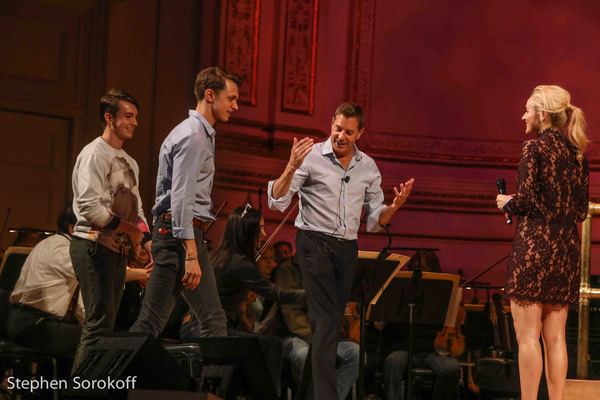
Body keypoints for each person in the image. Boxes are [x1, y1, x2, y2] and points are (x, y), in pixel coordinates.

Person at [268, 102, 415, 398]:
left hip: (347, 249)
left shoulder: (368, 167)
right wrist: (291, 166)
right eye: (337, 129)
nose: (341, 136)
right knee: (325, 320)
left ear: (360, 132)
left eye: (348, 132)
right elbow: (277, 200)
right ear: (331, 124)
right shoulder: (310, 156)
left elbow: (375, 221)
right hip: (314, 243)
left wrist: (394, 207)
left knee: (330, 328)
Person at [131, 67, 241, 338]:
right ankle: (105, 378)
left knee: (157, 323)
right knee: (206, 322)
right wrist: (191, 253)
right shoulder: (194, 136)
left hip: (179, 236)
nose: (236, 106)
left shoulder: (199, 134)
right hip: (180, 237)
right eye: (232, 98)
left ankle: (106, 377)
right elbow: (181, 197)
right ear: (210, 95)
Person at [496, 85, 589, 400]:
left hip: (534, 248)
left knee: (527, 339)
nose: (523, 115)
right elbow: (579, 211)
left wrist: (505, 201)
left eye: (527, 109)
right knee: (557, 339)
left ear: (543, 114)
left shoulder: (533, 148)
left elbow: (524, 202)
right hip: (565, 251)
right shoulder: (576, 154)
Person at [7, 206, 150, 372]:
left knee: (92, 338)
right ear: (74, 228)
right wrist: (145, 273)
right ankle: (81, 392)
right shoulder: (63, 248)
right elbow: (99, 271)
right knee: (98, 343)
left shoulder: (49, 243)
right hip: (34, 325)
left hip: (28, 321)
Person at [70, 88, 151, 372]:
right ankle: (79, 390)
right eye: (128, 116)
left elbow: (136, 210)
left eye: (136, 117)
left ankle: (93, 386)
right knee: (97, 323)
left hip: (115, 249)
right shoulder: (94, 154)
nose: (134, 122)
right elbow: (90, 207)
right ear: (109, 118)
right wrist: (129, 229)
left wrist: (147, 239)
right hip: (92, 245)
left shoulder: (131, 162)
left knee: (107, 325)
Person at [365, 250, 460, 400]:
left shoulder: (441, 292)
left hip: (433, 350)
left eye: (422, 268)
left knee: (451, 368)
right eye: (414, 267)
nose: (418, 272)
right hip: (402, 347)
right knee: (392, 363)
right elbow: (379, 326)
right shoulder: (399, 288)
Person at [274, 255, 359, 400]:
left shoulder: (330, 268)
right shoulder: (287, 270)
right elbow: (291, 314)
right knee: (304, 356)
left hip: (324, 338)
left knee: (355, 353)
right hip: (296, 336)